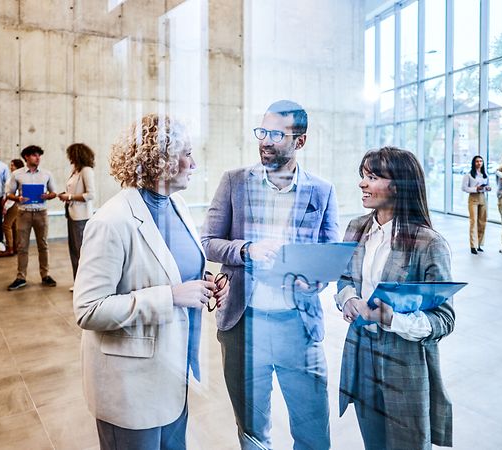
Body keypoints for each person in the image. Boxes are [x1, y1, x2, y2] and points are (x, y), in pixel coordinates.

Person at [73, 114, 229, 450]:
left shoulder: (179, 206)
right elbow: (88, 309)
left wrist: (205, 281)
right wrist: (171, 296)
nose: (194, 162)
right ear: (162, 161)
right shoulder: (111, 221)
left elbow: (173, 268)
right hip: (131, 386)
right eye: (187, 152)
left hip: (173, 373)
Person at [201, 100, 339, 450]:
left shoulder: (322, 191)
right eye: (261, 131)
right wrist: (246, 250)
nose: (264, 141)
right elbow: (208, 242)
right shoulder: (234, 182)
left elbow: (328, 255)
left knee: (313, 434)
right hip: (244, 327)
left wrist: (316, 278)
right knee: (252, 432)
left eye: (276, 134)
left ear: (300, 141)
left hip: (299, 328)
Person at [335, 146, 455, 450]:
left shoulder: (429, 243)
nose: (362, 183)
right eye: (362, 176)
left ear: (399, 184)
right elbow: (345, 279)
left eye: (372, 177)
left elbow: (444, 319)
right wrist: (349, 299)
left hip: (404, 363)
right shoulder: (356, 228)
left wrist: (393, 319)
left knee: (408, 444)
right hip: (360, 355)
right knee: (372, 442)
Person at [5, 145, 57, 290]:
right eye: (34, 155)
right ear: (26, 157)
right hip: (24, 213)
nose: (38, 158)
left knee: (43, 245)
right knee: (22, 246)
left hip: (41, 213)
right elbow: (9, 193)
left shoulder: (47, 174)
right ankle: (21, 277)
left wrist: (47, 196)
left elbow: (54, 193)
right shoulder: (17, 174)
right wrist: (18, 198)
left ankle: (45, 275)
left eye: (39, 155)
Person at [57, 143, 95, 288]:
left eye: (71, 154)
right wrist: (66, 196)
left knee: (82, 252)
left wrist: (70, 197)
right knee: (73, 251)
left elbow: (90, 195)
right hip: (71, 214)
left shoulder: (86, 171)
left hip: (82, 217)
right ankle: (78, 282)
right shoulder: (75, 171)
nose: (69, 157)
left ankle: (85, 285)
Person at [461, 155, 491, 254]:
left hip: (483, 198)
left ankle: (479, 244)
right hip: (473, 198)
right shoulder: (469, 175)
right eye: (477, 161)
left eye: (481, 161)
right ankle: (473, 246)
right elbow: (464, 188)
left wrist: (487, 188)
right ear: (474, 163)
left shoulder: (484, 175)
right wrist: (475, 189)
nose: (479, 163)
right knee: (473, 222)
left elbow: (488, 185)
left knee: (482, 222)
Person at [0, 158, 25, 257]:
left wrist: (6, 206)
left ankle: (10, 248)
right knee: (14, 226)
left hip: (12, 204)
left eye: (12, 165)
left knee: (6, 225)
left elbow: (12, 194)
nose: (11, 167)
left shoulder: (15, 177)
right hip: (15, 204)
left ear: (17, 167)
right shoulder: (18, 176)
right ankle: (16, 247)